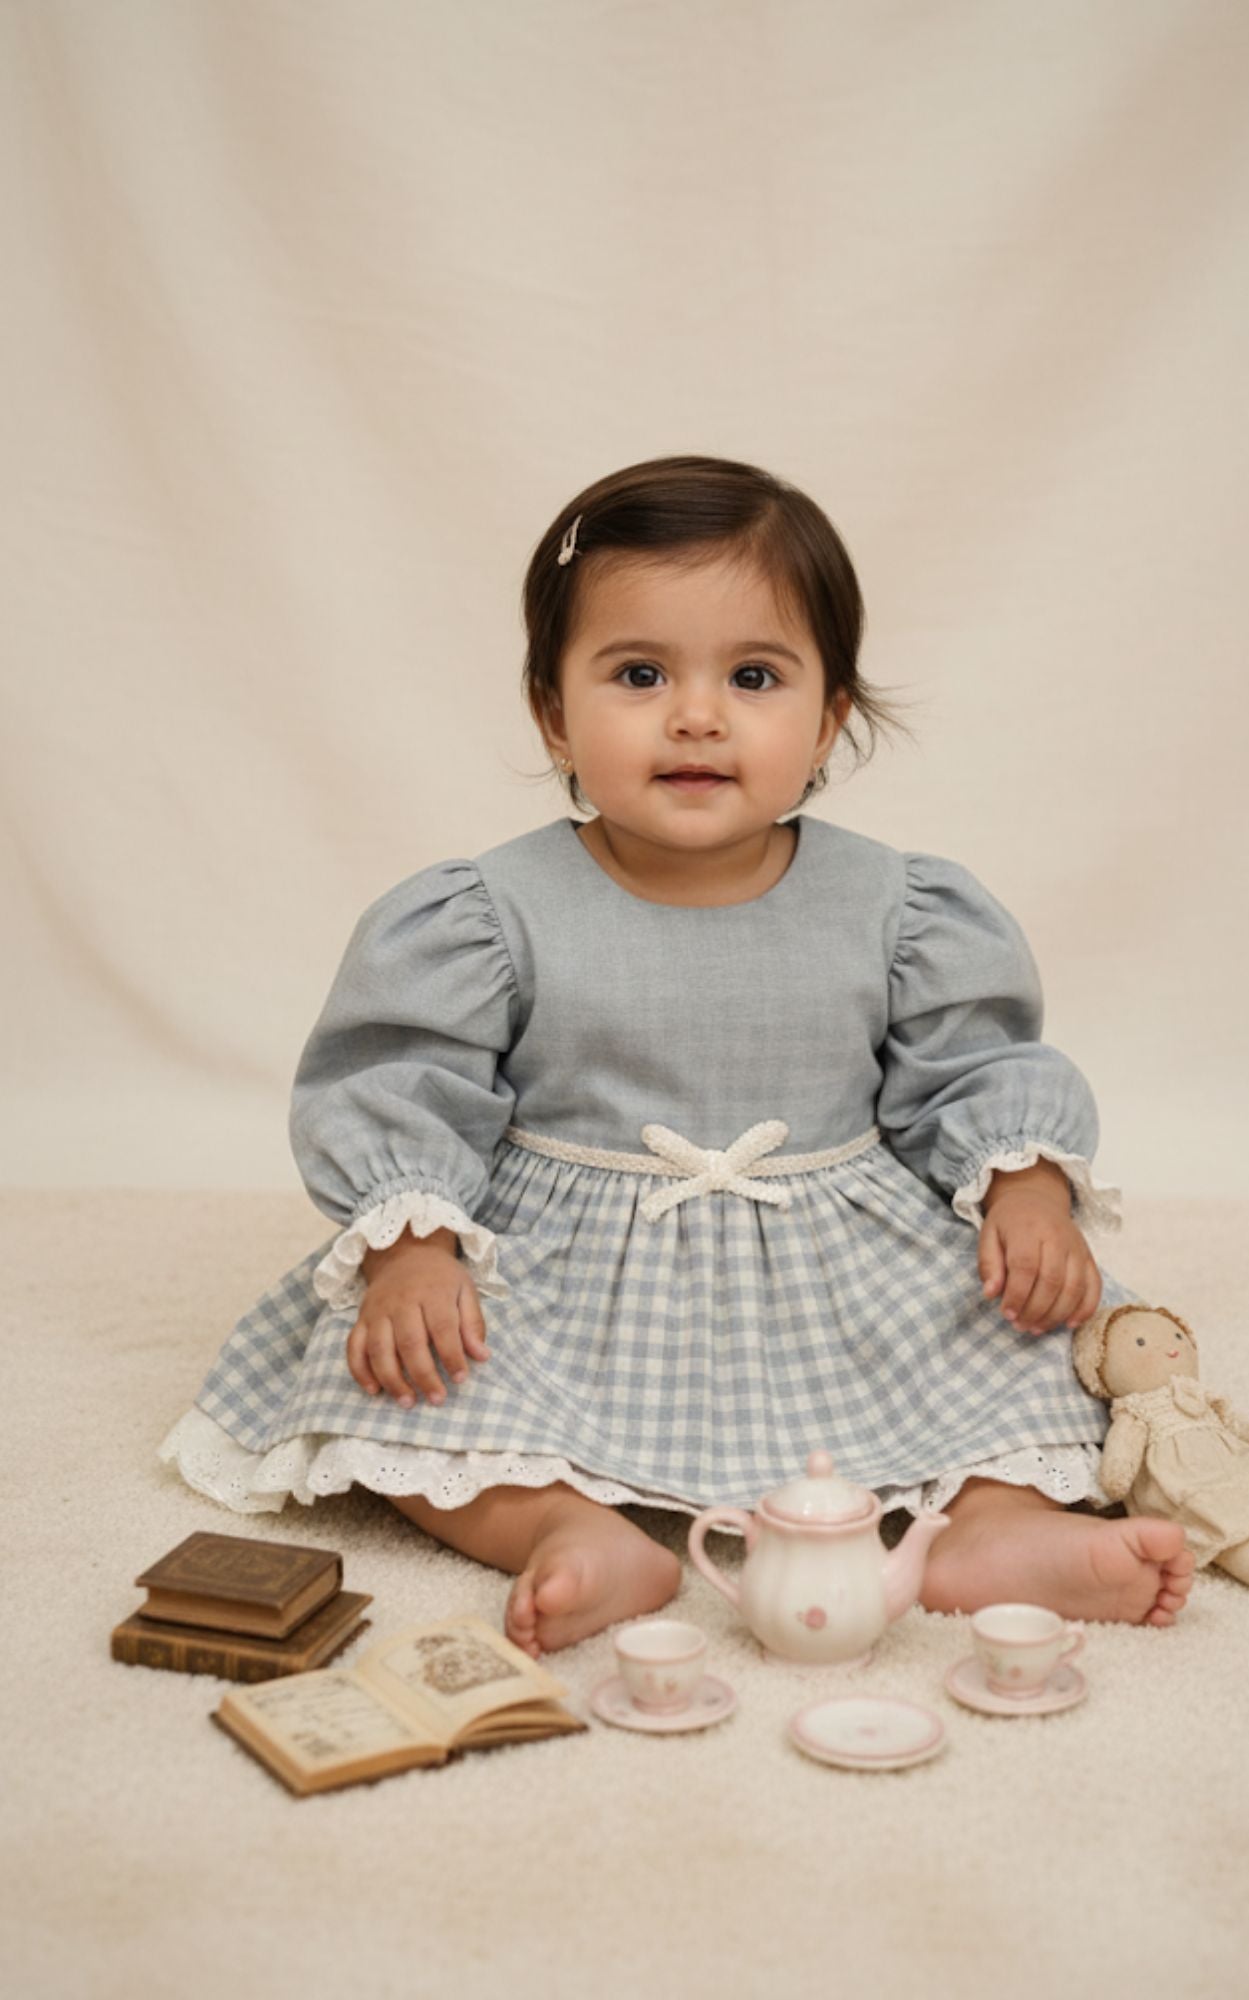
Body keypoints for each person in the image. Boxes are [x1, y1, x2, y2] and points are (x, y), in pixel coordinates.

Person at [159, 453, 1194, 1656]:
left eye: (753, 675)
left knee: (1020, 1339)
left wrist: (1023, 1183)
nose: (696, 714)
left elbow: (971, 1069)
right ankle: (572, 1528)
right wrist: (414, 1249)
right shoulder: (486, 912)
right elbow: (401, 1084)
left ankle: (983, 1529)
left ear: (828, 721)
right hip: (569, 1258)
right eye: (638, 673)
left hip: (838, 1256)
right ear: (553, 710)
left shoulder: (899, 907)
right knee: (395, 1368)